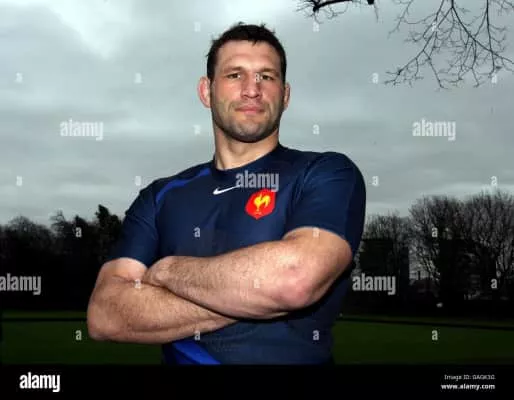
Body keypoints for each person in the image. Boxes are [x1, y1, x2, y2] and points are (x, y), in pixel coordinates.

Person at [87, 22, 366, 365]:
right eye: (235, 75)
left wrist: (167, 272)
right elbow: (105, 314)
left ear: (285, 95)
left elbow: (293, 280)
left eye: (267, 76)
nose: (252, 90)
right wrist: (254, 294)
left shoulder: (326, 174)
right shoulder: (161, 197)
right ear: (206, 91)